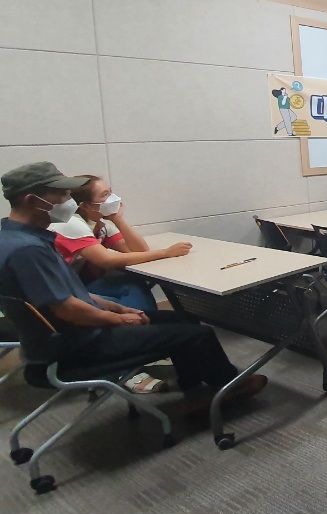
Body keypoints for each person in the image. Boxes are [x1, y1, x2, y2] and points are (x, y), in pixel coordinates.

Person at [0, 162, 266, 406]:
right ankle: (226, 389)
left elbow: (69, 293)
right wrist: (117, 320)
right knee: (199, 334)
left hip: (68, 336)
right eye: (62, 195)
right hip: (79, 345)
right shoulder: (29, 250)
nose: (69, 200)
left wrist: (117, 308)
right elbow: (67, 309)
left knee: (183, 319)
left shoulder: (15, 238)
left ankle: (196, 393)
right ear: (32, 200)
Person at [52, 175, 191, 313]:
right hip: (63, 293)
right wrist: (166, 253)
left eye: (110, 192)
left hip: (80, 285)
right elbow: (107, 260)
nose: (112, 198)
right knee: (128, 301)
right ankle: (144, 322)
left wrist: (117, 219)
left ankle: (146, 320)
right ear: (85, 206)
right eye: (105, 195)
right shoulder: (72, 223)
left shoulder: (100, 225)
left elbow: (140, 250)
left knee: (133, 284)